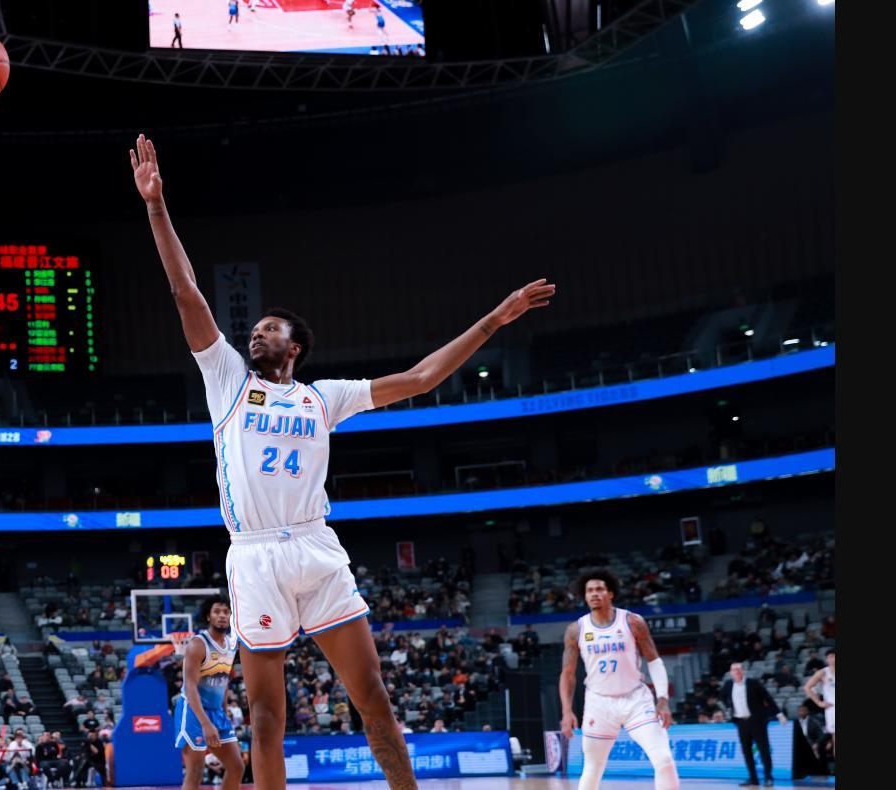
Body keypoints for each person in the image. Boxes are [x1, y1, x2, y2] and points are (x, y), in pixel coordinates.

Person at [130, 133, 553, 790]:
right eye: (256, 329)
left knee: (373, 696)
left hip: (316, 548)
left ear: (296, 346)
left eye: (270, 329)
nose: (256, 333)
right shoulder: (227, 381)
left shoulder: (323, 396)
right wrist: (157, 207)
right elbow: (186, 291)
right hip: (256, 556)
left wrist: (494, 320)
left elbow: (418, 377)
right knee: (266, 719)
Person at [559, 570, 679, 790]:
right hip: (598, 702)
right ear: (584, 596)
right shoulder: (576, 630)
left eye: (599, 589)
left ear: (610, 593)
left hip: (635, 699)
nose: (594, 594)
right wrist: (567, 711)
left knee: (664, 760)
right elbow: (568, 673)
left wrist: (662, 699)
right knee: (592, 769)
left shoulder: (633, 622)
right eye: (589, 591)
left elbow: (654, 660)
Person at [174, 597, 244, 790]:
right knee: (195, 771)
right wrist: (205, 723)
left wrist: (224, 709)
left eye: (226, 612)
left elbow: (223, 678)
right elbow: (190, 687)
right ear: (208, 616)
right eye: (217, 611)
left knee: (237, 767)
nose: (222, 615)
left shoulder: (231, 644)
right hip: (193, 712)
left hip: (216, 711)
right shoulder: (198, 644)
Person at [720, 663, 778, 786]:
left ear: (743, 671)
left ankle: (768, 777)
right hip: (741, 722)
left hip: (757, 721)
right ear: (730, 673)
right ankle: (753, 778)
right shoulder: (728, 685)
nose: (736, 671)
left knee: (764, 750)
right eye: (734, 670)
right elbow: (722, 697)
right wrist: (729, 706)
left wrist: (779, 714)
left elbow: (767, 698)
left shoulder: (753, 683)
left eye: (738, 669)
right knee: (746, 751)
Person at [803, 649, 835, 754]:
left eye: (834, 656)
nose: (833, 659)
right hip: (832, 709)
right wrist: (819, 703)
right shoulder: (823, 672)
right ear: (827, 659)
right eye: (830, 657)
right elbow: (807, 687)